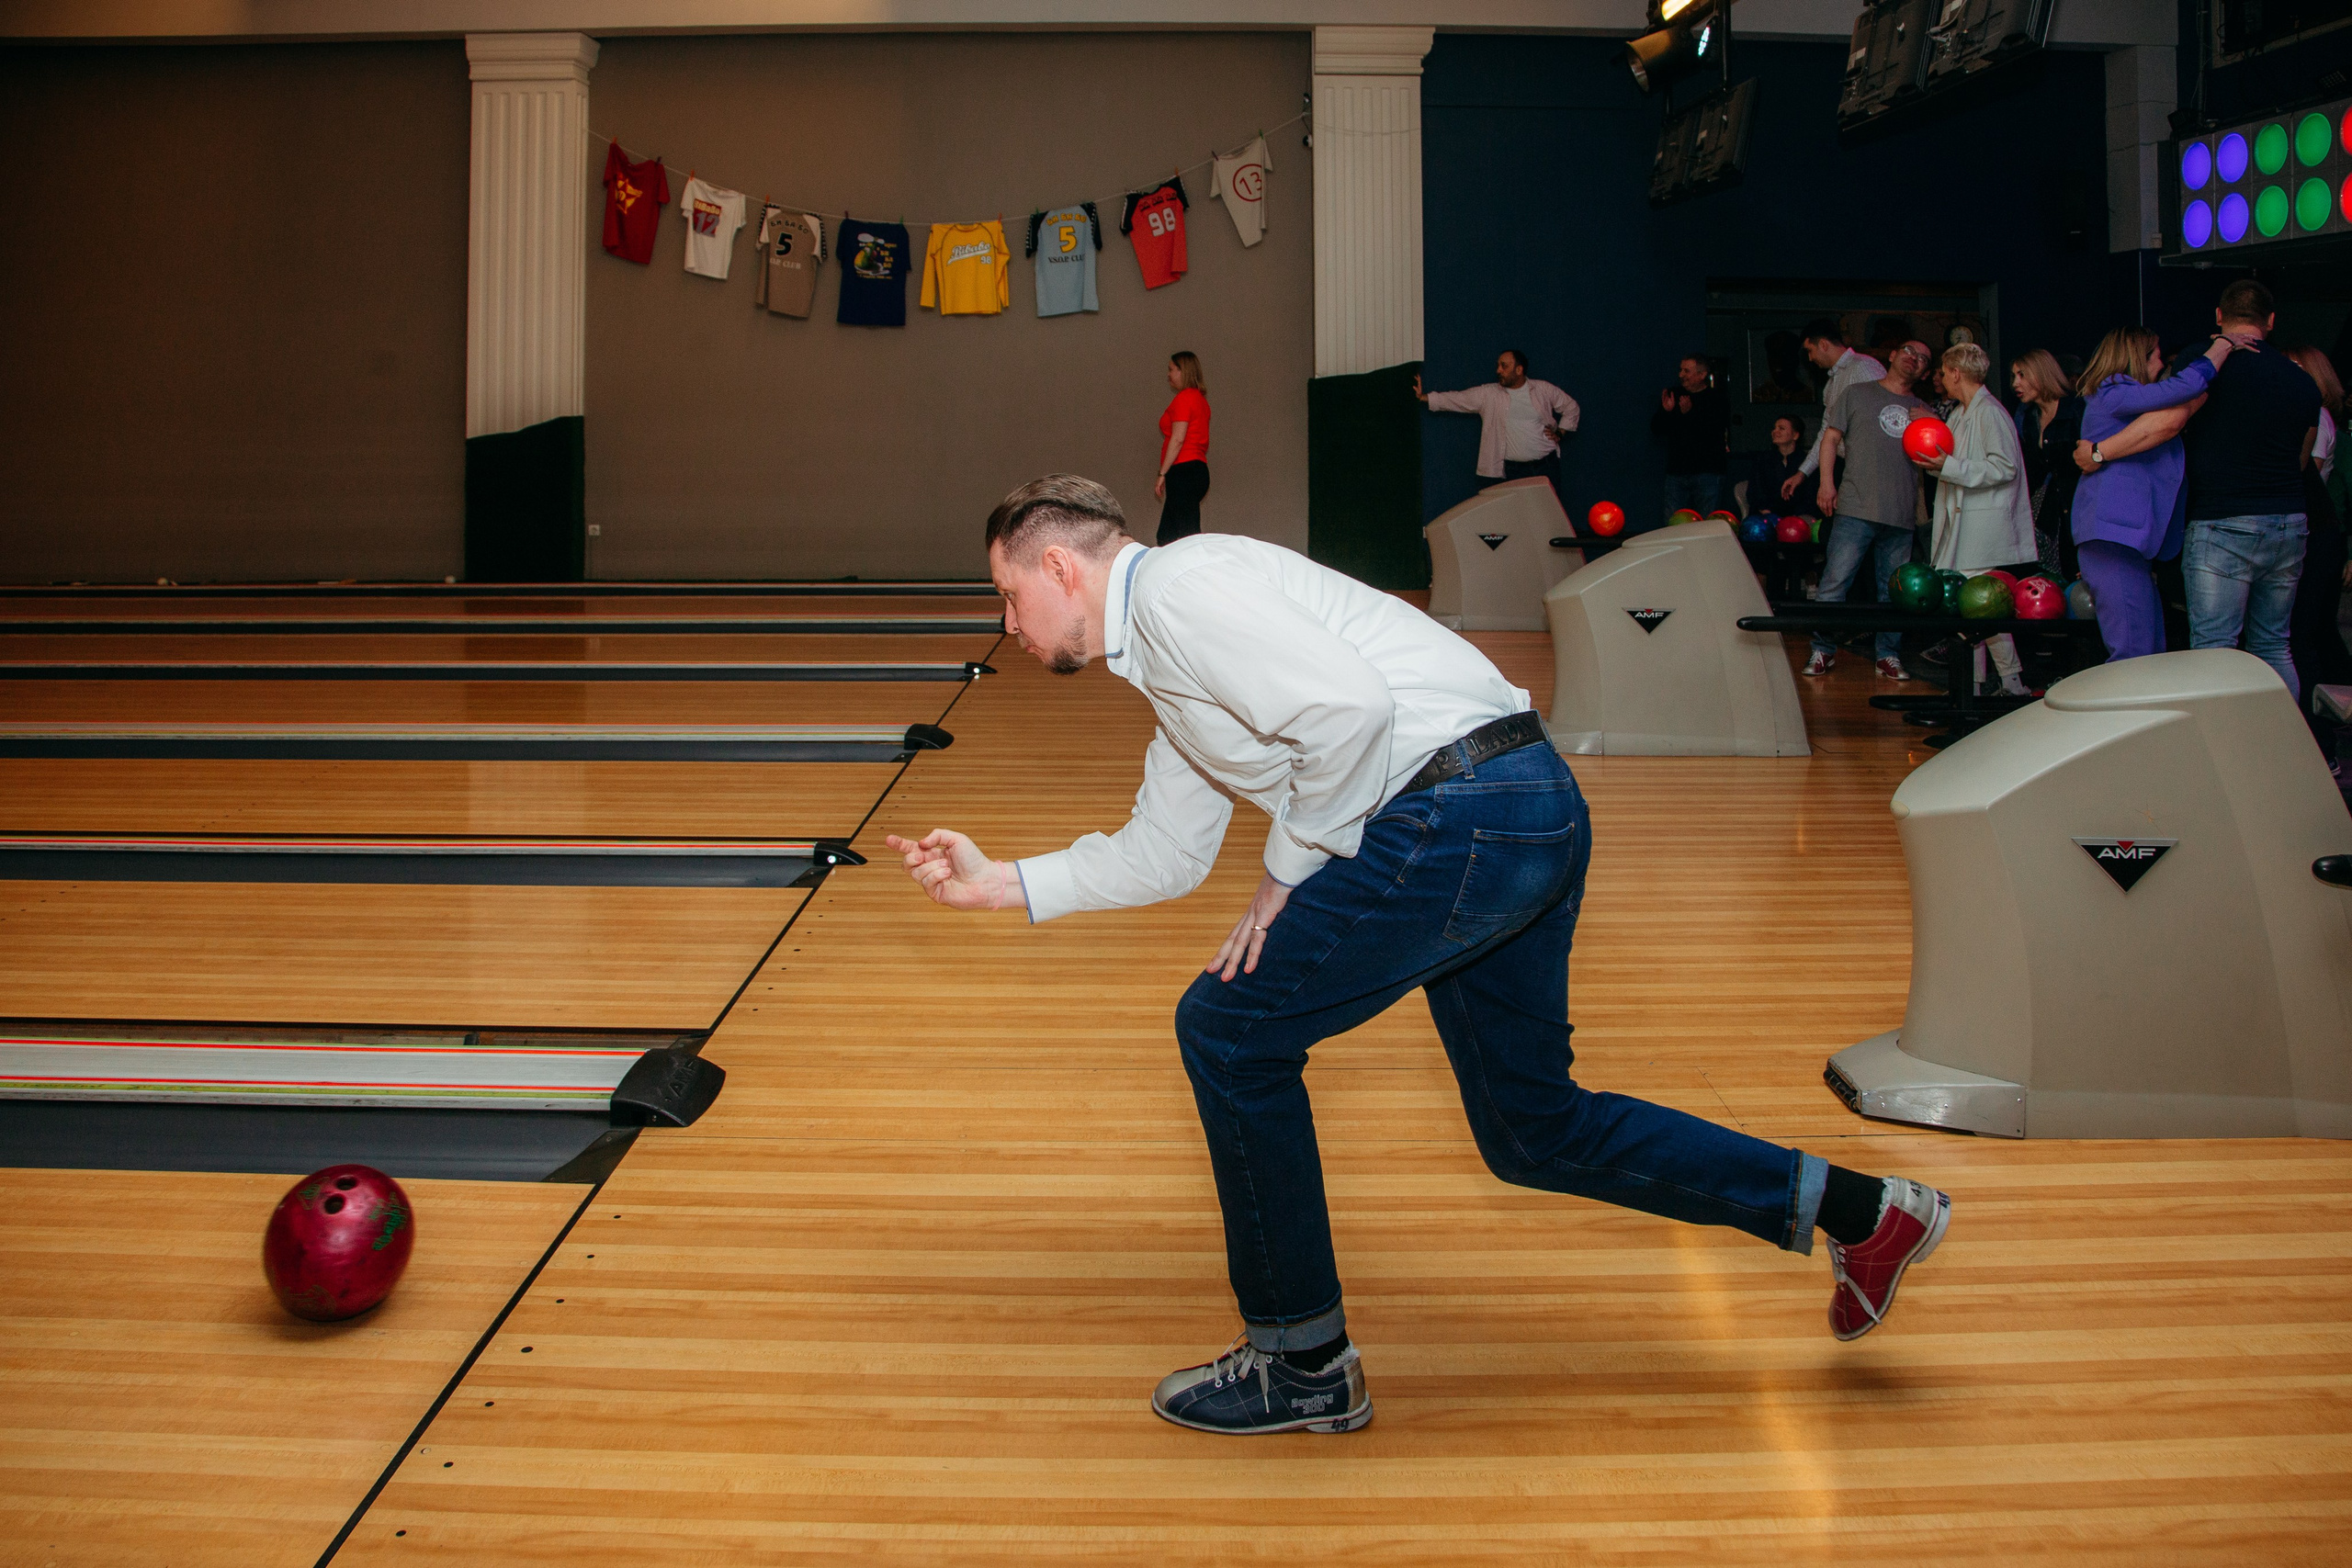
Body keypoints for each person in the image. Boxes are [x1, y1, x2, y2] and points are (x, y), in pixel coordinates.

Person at [889, 474, 1955, 1437]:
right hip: (1522, 807)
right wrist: (1000, 882)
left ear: (1059, 567)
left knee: (1228, 1033)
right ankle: (1861, 1213)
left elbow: (1347, 715)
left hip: (1460, 811)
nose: (1008, 627)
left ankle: (1302, 1364)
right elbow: (1165, 852)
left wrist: (1284, 872)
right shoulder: (1175, 662)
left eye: (1008, 597)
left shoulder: (1180, 587)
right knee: (1534, 1128)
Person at [2080, 282, 2317, 697]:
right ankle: (2283, 735)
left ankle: (2219, 739)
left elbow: (2169, 422)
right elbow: (2302, 458)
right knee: (2273, 645)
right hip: (2289, 522)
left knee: (2214, 649)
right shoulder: (2302, 382)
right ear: (2271, 321)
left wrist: (2098, 452)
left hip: (2222, 522)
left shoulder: (2201, 361)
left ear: (2219, 316)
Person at [2067, 327, 2236, 664]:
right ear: (2138, 357)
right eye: (2157, 354)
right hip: (2112, 539)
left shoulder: (2121, 397)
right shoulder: (2113, 390)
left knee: (2149, 653)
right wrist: (2223, 345)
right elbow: (2185, 388)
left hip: (2123, 541)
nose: (2162, 363)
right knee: (2134, 654)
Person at [1913, 342, 2037, 697]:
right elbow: (1955, 463)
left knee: (1980, 606)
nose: (1940, 379)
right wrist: (1939, 465)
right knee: (1973, 607)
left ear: (1956, 373)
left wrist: (1949, 466)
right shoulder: (1961, 413)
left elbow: (2005, 467)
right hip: (1966, 524)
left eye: (1943, 372)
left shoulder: (1990, 412)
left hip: (1983, 528)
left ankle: (2004, 683)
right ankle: (1980, 684)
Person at [1805, 339, 1933, 681]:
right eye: (1908, 351)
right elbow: (1830, 439)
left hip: (1901, 512)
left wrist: (1931, 422)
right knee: (1834, 583)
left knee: (1894, 592)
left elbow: (1937, 460)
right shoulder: (1857, 393)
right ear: (1891, 354)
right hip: (1856, 505)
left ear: (1925, 373)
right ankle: (1822, 650)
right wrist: (1826, 483)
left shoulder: (1924, 409)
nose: (1914, 358)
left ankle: (1888, 655)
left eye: (1923, 358)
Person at [2280, 344, 2352, 741]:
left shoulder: (2316, 416)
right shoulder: (2314, 415)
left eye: (2294, 368)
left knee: (2304, 636)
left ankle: (2317, 736)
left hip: (2315, 530)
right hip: (2316, 530)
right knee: (2316, 633)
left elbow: (2308, 473)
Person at [1414, 350, 1581, 513]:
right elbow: (1458, 399)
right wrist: (1424, 397)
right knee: (1516, 517)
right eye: (1498, 366)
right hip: (1513, 471)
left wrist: (1561, 432)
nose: (1498, 370)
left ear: (1519, 369)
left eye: (1504, 366)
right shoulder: (1489, 394)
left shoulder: (1543, 389)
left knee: (1549, 514)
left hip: (1546, 467)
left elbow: (1571, 407)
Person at [1781, 319, 1885, 503]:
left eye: (1810, 351)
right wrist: (1802, 473)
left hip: (1872, 468)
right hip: (1849, 466)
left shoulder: (1863, 367)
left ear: (1823, 344)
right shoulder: (1831, 384)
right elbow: (1825, 432)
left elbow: (1882, 418)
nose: (1810, 358)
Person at [2010, 349, 2084, 581]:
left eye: (2022, 375)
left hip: (2081, 506)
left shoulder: (2077, 409)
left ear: (2041, 374)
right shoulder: (2028, 417)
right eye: (2014, 376)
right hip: (2052, 510)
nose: (2015, 383)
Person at [1652, 353, 1730, 520]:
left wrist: (1688, 413)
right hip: (1677, 472)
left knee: (1706, 524)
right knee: (1673, 523)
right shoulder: (1674, 395)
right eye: (1681, 370)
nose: (1681, 375)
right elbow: (1657, 429)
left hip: (1708, 472)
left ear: (1702, 375)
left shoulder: (1717, 398)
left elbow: (1711, 432)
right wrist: (1666, 412)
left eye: (1687, 371)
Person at [1154, 352, 1212, 546]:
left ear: (1182, 371)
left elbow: (1178, 439)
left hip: (1183, 471)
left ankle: (1197, 563)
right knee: (1167, 535)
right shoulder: (1200, 400)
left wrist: (1162, 473)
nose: (1168, 374)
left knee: (1188, 535)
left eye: (1171, 369)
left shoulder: (1184, 399)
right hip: (1196, 470)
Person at [1742, 415, 1817, 521]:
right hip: (1765, 517)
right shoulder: (1763, 460)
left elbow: (1811, 495)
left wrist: (1797, 516)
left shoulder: (1806, 463)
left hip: (1798, 518)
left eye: (1781, 428)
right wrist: (1765, 510)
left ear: (1795, 435)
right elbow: (1755, 490)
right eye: (1774, 428)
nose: (1775, 431)